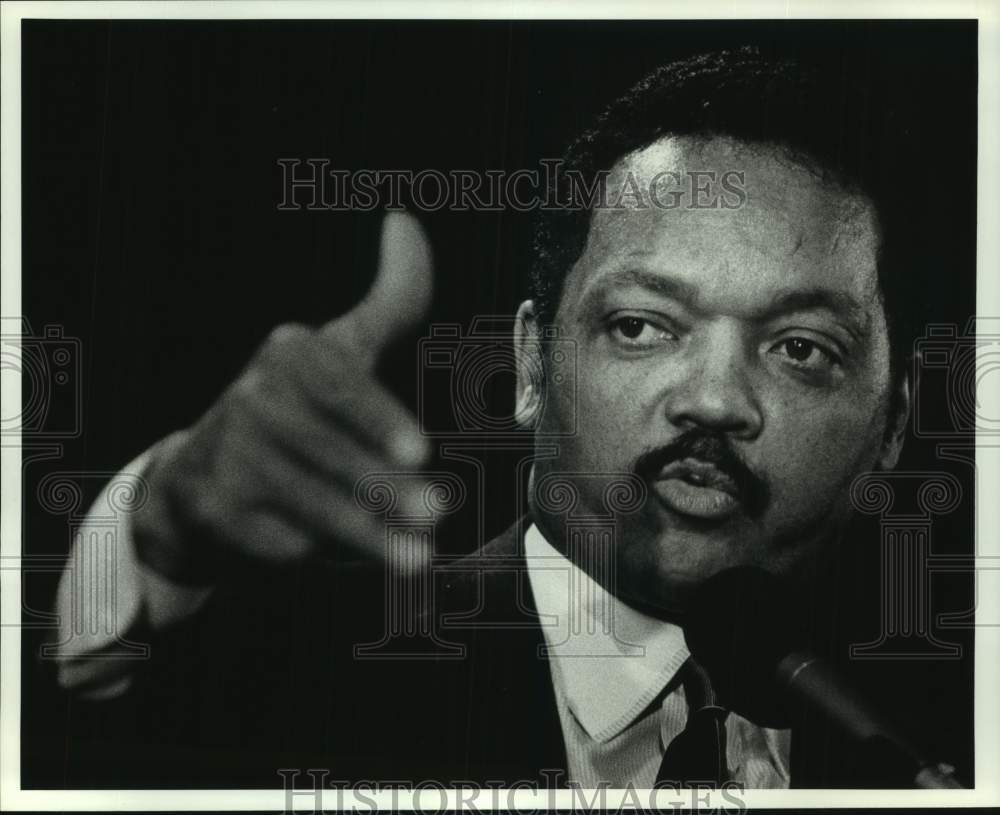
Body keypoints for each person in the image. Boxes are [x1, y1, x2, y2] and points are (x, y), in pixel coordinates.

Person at [50, 47, 934, 790]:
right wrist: (162, 533)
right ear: (529, 364)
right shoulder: (298, 670)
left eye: (801, 348)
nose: (712, 398)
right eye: (641, 326)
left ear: (893, 423)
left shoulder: (939, 741)